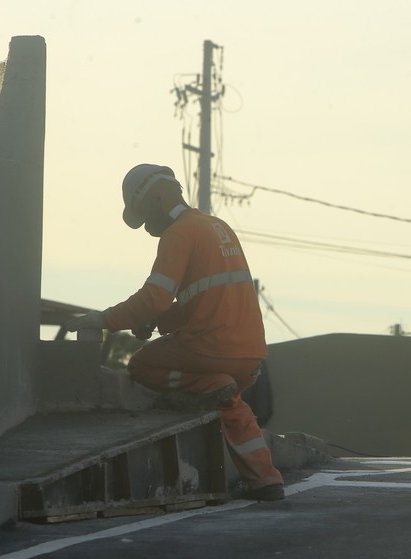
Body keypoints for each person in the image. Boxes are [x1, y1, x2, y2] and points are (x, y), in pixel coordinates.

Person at [65, 164, 285, 501]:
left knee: (141, 364)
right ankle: (266, 481)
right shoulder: (217, 227)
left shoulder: (178, 234)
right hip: (251, 352)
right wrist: (157, 322)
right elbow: (203, 299)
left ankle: (210, 384)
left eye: (142, 216)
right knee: (230, 403)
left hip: (211, 348)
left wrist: (105, 319)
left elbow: (155, 296)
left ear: (156, 198)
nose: (146, 229)